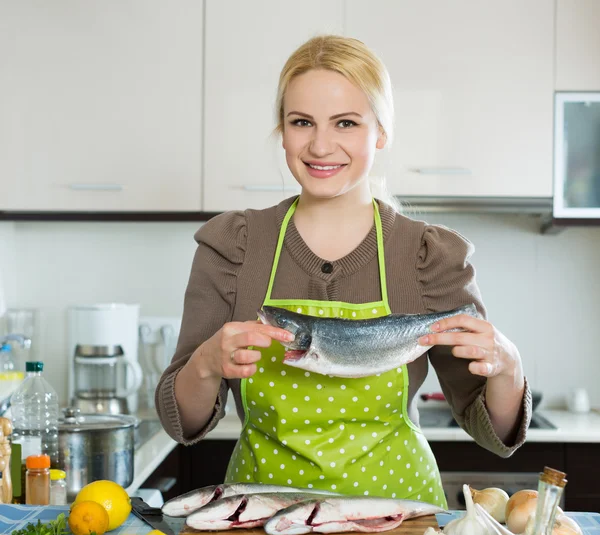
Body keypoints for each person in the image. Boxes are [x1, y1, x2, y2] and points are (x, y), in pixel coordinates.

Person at [156, 35, 531, 508]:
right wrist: (208, 364)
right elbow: (182, 423)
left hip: (400, 520)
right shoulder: (234, 246)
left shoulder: (427, 255)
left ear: (380, 132)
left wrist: (508, 366)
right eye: (302, 122)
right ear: (283, 130)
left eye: (346, 123)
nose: (320, 144)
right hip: (264, 518)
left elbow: (490, 429)